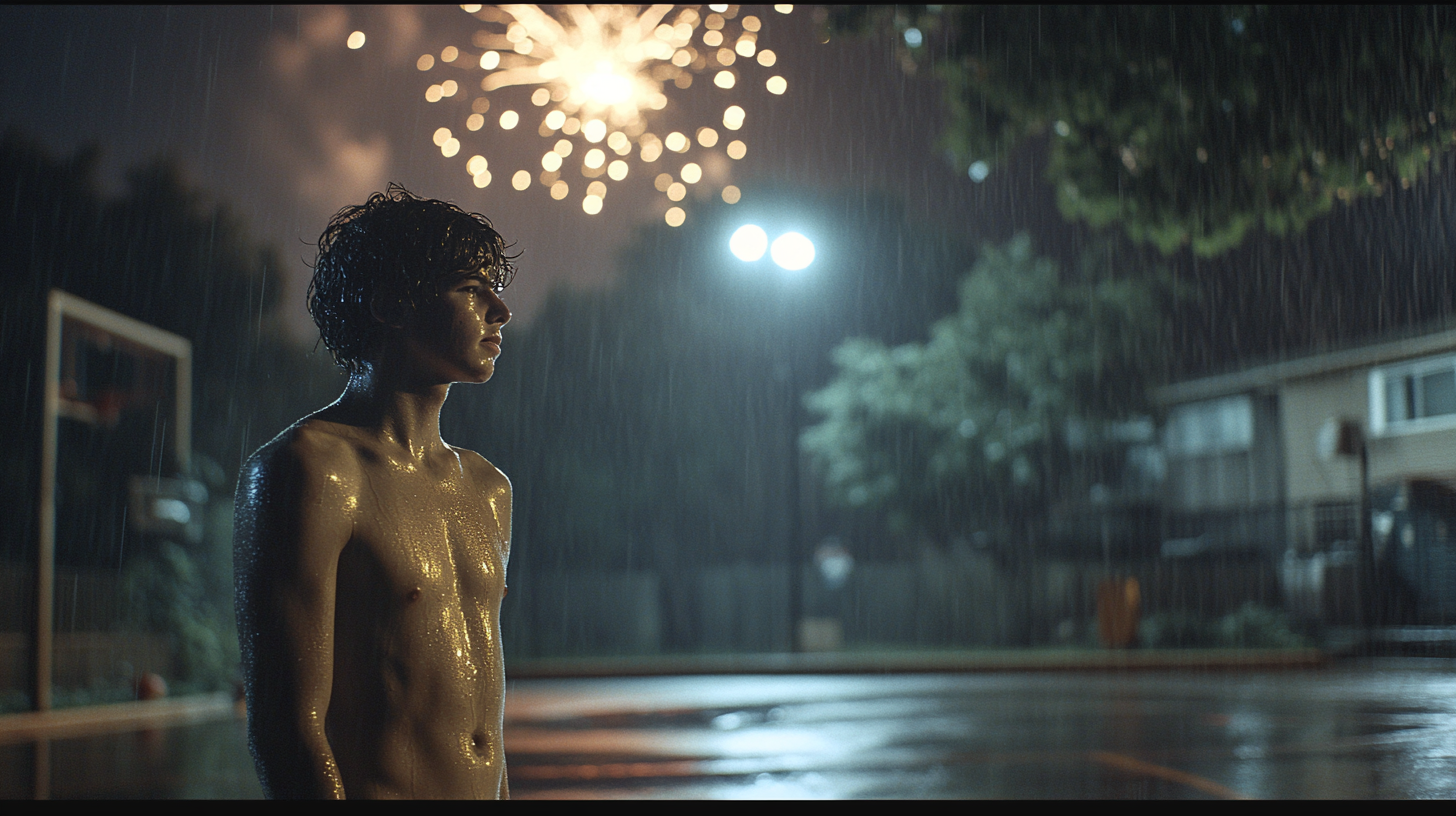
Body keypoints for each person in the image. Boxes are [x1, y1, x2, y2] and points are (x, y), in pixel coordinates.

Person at [233, 184, 517, 799]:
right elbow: (288, 725)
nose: (500, 310)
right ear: (392, 303)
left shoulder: (488, 488)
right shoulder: (309, 469)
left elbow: (482, 728)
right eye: (471, 288)